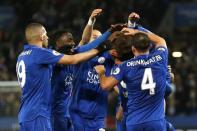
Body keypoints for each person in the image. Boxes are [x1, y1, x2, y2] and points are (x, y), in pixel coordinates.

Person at [16, 23, 107, 131]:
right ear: (41, 36)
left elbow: (82, 45)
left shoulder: (22, 56)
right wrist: (98, 50)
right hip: (40, 113)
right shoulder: (41, 53)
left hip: (28, 112)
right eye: (45, 34)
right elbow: (74, 59)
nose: (47, 37)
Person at [95, 28, 168, 131]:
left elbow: (105, 85)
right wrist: (136, 31)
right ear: (150, 46)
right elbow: (161, 40)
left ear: (133, 49)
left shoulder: (125, 66)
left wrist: (101, 73)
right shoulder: (160, 57)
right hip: (156, 122)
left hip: (135, 122)